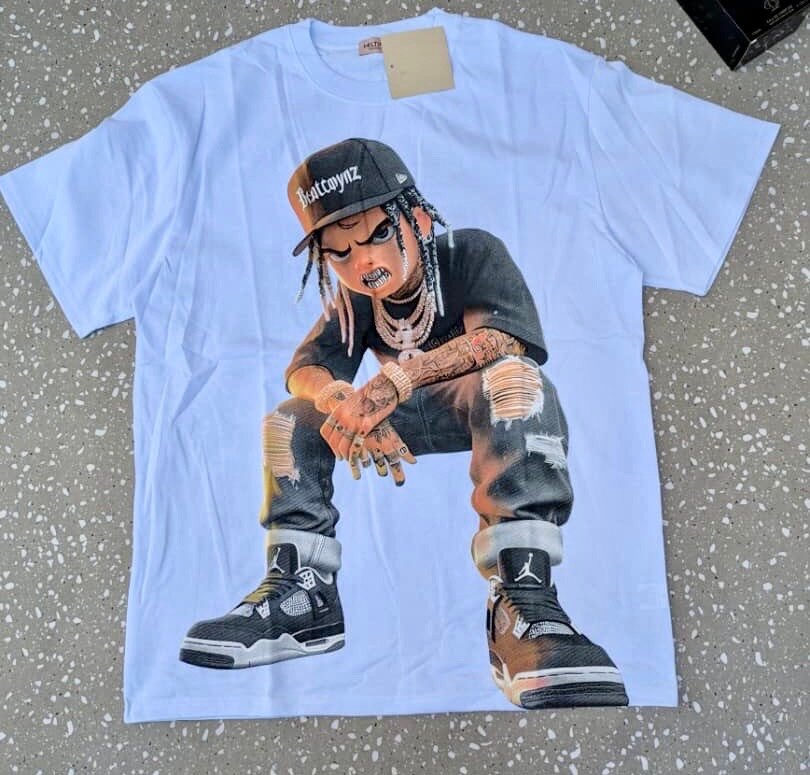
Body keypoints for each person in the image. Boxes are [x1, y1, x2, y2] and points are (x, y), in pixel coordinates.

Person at [179, 138, 629, 709]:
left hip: (482, 405)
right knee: (289, 420)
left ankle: (524, 597)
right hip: (398, 416)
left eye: (376, 235)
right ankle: (303, 594)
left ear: (418, 218)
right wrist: (342, 400)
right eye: (339, 253)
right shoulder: (354, 299)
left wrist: (395, 381)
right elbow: (304, 370)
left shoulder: (469, 251)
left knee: (514, 378)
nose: (362, 262)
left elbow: (505, 339)